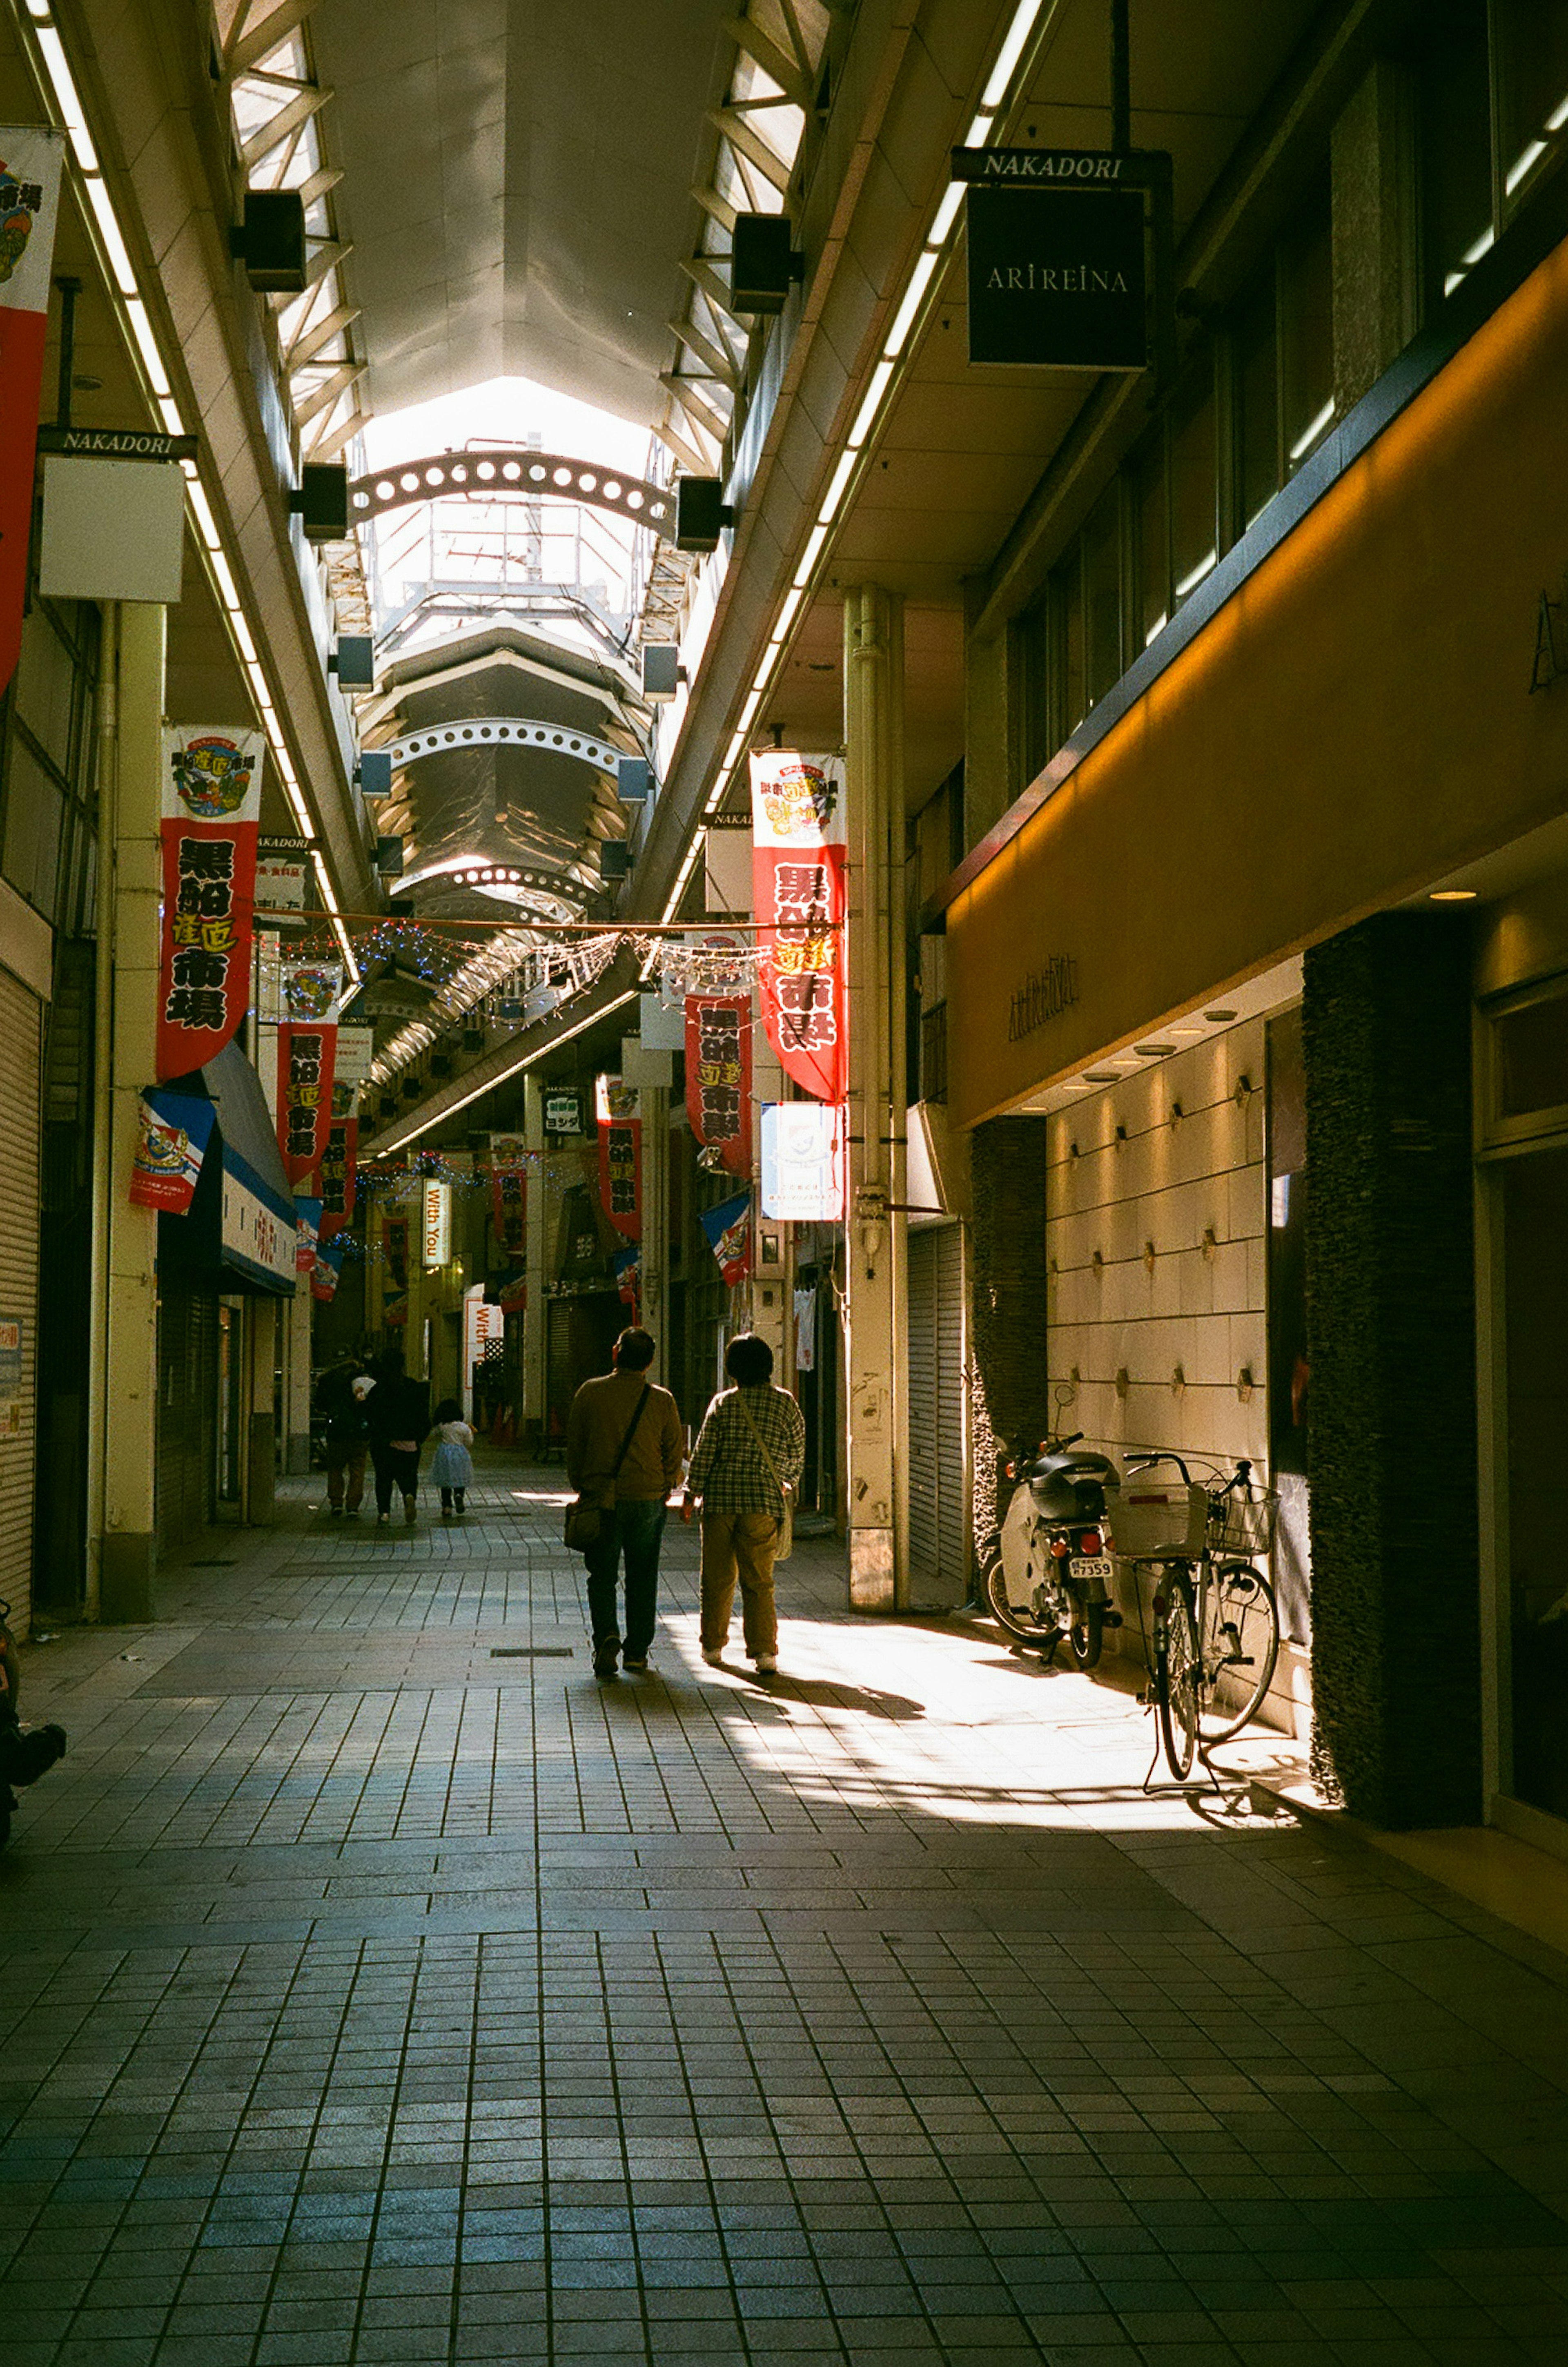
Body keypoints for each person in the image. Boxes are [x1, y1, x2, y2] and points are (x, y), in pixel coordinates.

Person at [566, 1326, 684, 1680]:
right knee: (643, 1575)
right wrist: (665, 1486)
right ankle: (636, 1652)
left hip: (601, 1500)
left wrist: (582, 1487)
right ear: (649, 1362)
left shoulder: (590, 1393)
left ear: (615, 1354)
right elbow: (673, 1453)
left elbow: (576, 1448)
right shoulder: (662, 1400)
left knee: (601, 1575)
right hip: (648, 1499)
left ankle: (606, 1636)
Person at [684, 1333, 805, 1676]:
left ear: (732, 1368)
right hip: (763, 1502)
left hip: (721, 1501)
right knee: (759, 1580)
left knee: (718, 1578)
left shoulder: (723, 1404)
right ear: (768, 1366)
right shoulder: (785, 1403)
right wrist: (787, 1482)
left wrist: (691, 1495)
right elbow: (797, 1451)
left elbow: (704, 1453)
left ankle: (712, 1645)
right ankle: (764, 1652)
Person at [365, 1348, 431, 1526]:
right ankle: (409, 1495)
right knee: (409, 1475)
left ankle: (385, 1513)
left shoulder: (378, 1390)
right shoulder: (414, 1387)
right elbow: (425, 1418)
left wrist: (379, 1437)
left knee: (384, 1478)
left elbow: (370, 1416)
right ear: (403, 1365)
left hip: (384, 1444)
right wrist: (418, 1439)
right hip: (410, 1443)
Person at [321, 1366, 374, 1518]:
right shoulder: (362, 1389)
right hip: (358, 1435)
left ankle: (337, 1502)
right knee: (357, 1470)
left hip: (337, 1434)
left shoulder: (333, 1388)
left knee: (336, 1469)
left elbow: (322, 1405)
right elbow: (368, 1411)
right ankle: (353, 1505)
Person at [429, 1398, 475, 1518]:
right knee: (460, 1476)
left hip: (444, 1454)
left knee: (445, 1480)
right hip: (460, 1453)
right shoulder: (464, 1427)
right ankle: (459, 1495)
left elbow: (433, 1435)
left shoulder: (443, 1426)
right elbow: (469, 1442)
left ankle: (447, 1507)